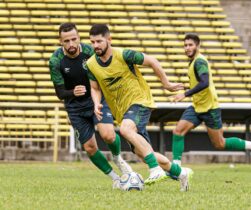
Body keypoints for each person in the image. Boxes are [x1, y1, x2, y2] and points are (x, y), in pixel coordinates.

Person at [86, 24, 193, 192]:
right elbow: (95, 88)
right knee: (144, 153)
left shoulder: (124, 55)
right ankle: (181, 173)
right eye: (92, 42)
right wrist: (96, 102)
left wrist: (166, 84)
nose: (95, 46)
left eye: (99, 41)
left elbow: (152, 61)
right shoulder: (91, 64)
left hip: (140, 101)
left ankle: (155, 170)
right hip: (122, 111)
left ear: (109, 40)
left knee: (125, 130)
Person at [49, 23, 132, 189]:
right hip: (74, 108)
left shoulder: (90, 52)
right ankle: (115, 178)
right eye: (66, 41)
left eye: (74, 39)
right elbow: (60, 93)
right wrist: (73, 92)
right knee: (90, 147)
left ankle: (117, 158)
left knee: (108, 135)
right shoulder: (55, 60)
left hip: (97, 99)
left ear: (79, 38)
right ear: (60, 41)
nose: (71, 44)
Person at [170, 33, 251, 166]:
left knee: (220, 144)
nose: (187, 48)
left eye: (190, 45)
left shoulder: (199, 61)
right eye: (185, 45)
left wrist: (185, 94)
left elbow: (204, 82)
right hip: (197, 106)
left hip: (210, 108)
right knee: (178, 131)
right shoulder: (193, 61)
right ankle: (176, 169)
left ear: (198, 46)